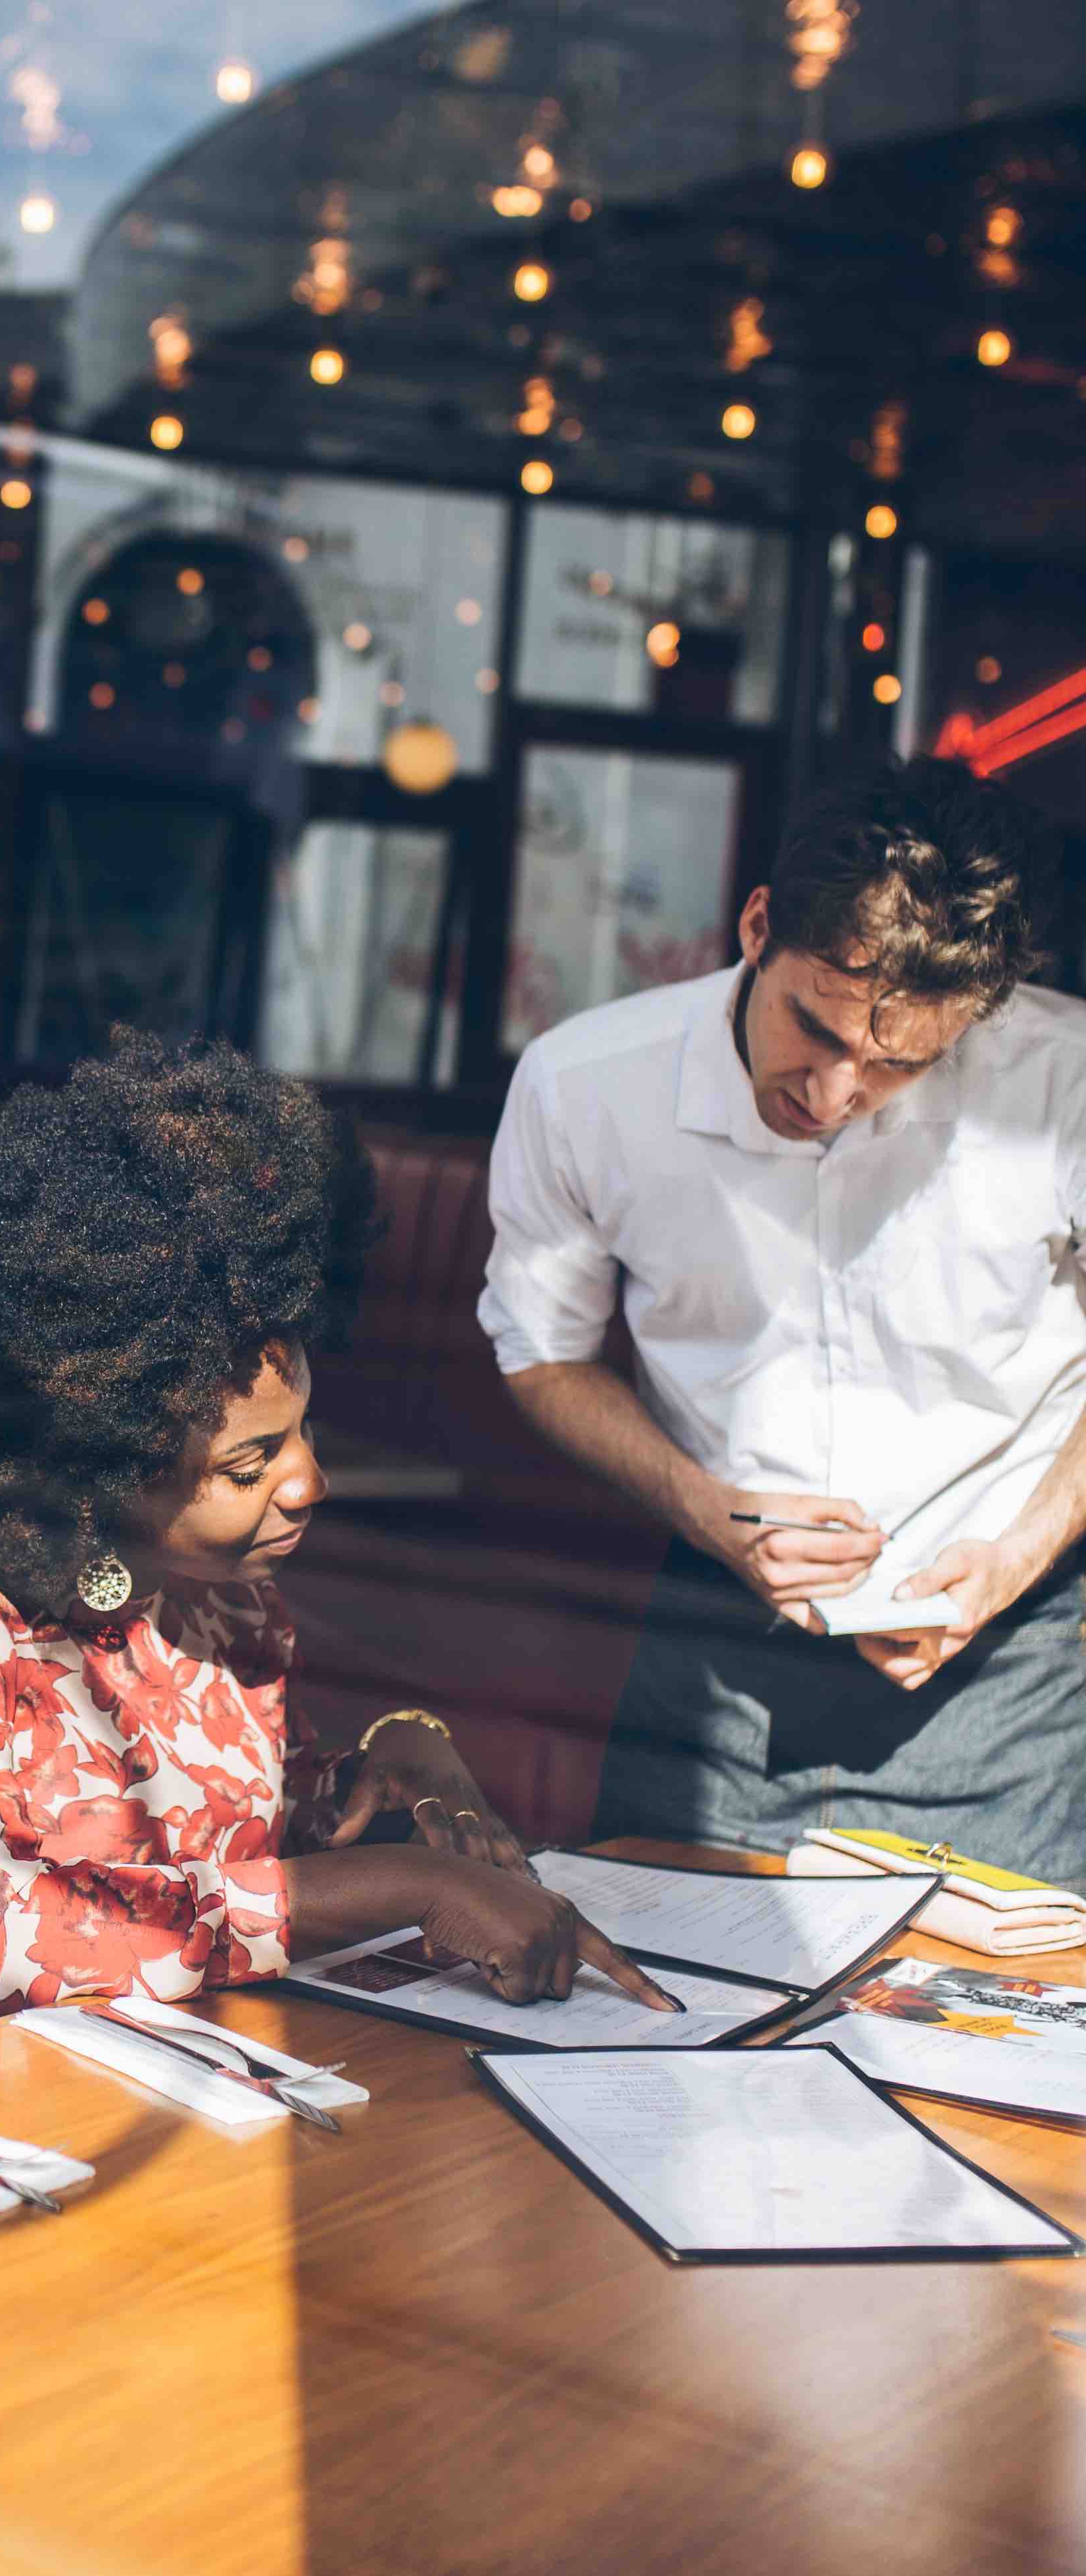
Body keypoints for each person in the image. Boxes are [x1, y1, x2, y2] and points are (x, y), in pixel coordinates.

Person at [0, 1035, 671, 2068]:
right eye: (251, 1461)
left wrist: (385, 1764)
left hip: (152, 2083)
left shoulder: (218, 1598)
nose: (308, 1482)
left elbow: (233, 1846)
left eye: (305, 1432)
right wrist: (407, 1888)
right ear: (104, 1456)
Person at [480, 754, 1086, 1877]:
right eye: (817, 1027)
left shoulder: (1067, 1085)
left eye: (902, 1065)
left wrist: (1011, 1559)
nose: (835, 1091)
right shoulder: (582, 1085)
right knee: (658, 2015)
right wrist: (709, 1512)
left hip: (1007, 1667)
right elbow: (542, 1355)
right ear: (758, 925)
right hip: (713, 1650)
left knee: (990, 2037)